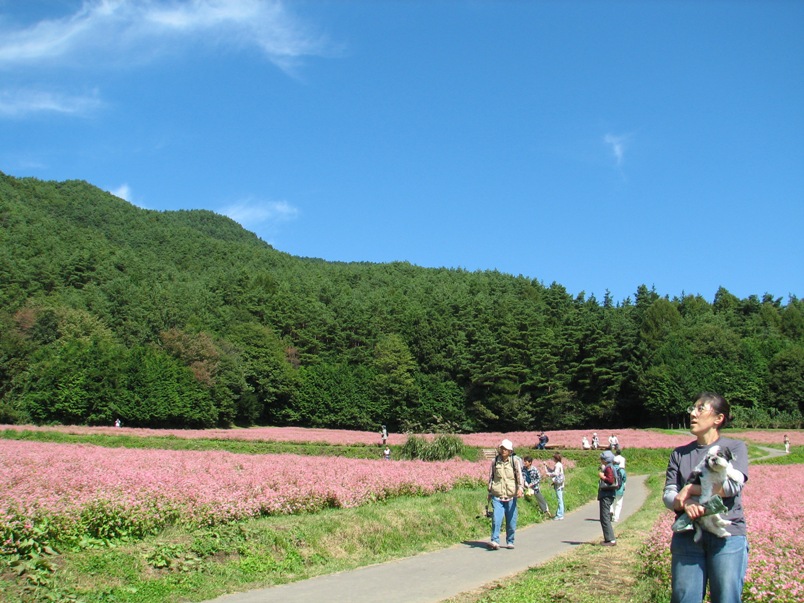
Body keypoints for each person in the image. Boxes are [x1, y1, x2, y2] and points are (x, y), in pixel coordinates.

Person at [663, 393, 749, 603]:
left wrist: (691, 490)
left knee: (726, 598)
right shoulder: (679, 453)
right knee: (685, 598)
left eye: (700, 409)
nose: (693, 413)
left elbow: (730, 487)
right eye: (693, 408)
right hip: (687, 535)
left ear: (718, 419)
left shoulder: (734, 447)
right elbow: (668, 494)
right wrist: (687, 503)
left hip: (727, 536)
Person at [487, 439, 523, 549]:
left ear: (510, 451)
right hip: (497, 495)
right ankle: (495, 540)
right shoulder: (495, 461)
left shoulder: (515, 461)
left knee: (511, 521)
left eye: (506, 449)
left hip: (511, 496)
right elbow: (491, 477)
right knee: (496, 519)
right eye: (502, 448)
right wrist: (489, 491)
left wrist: (520, 488)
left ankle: (510, 540)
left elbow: (519, 475)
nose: (503, 450)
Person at [598, 450, 618, 546]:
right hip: (609, 494)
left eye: (602, 458)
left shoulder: (608, 468)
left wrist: (602, 477)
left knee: (604, 517)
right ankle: (608, 539)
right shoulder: (611, 467)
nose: (601, 460)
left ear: (605, 460)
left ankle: (610, 539)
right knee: (604, 516)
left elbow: (610, 480)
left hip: (606, 495)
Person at [543, 452, 565, 520]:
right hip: (560, 484)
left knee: (559, 500)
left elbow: (555, 473)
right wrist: (546, 467)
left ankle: (560, 515)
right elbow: (553, 471)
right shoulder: (559, 464)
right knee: (560, 499)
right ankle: (560, 514)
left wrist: (549, 474)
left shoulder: (557, 465)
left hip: (558, 485)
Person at [611, 455, 627, 522]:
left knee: (611, 502)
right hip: (620, 490)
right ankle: (616, 517)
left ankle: (611, 511)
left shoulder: (611, 469)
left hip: (611, 489)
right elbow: (624, 480)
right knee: (618, 504)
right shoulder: (622, 471)